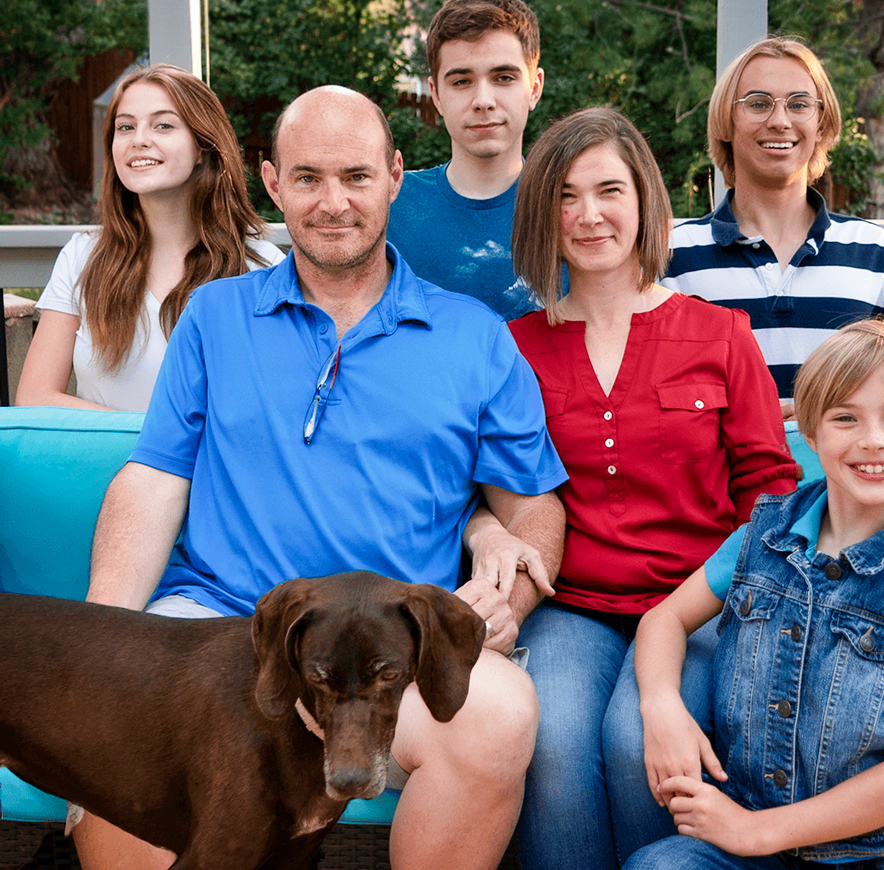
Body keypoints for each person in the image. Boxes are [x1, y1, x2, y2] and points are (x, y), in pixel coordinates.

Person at [72, 85, 568, 870]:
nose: (333, 202)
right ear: (272, 183)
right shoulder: (214, 316)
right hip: (219, 626)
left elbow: (533, 504)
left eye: (356, 177)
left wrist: (508, 603)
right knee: (115, 793)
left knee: (499, 713)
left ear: (395, 177)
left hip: (390, 653)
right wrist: (97, 650)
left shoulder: (471, 335)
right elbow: (155, 478)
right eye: (307, 179)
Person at [503, 107, 799, 870]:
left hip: (697, 605)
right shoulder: (515, 348)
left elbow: (772, 491)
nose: (589, 215)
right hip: (573, 607)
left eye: (609, 191)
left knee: (640, 742)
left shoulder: (719, 334)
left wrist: (712, 595)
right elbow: (495, 490)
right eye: (566, 195)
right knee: (555, 744)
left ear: (645, 203)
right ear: (544, 211)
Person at [626, 318, 884, 870]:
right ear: (811, 434)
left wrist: (755, 832)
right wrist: (662, 705)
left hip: (880, 854)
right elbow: (664, 619)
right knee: (658, 866)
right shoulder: (760, 537)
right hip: (750, 836)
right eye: (846, 418)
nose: (873, 440)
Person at [664, 37, 884, 416]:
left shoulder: (876, 255)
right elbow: (644, 402)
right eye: (758, 104)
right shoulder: (671, 257)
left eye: (799, 104)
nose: (779, 121)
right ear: (726, 121)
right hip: (721, 476)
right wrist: (748, 419)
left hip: (844, 474)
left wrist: (826, 416)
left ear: (821, 124)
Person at [16, 63, 283, 412]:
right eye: (125, 126)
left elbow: (277, 410)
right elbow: (34, 397)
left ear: (203, 146)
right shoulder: (83, 256)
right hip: (104, 466)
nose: (139, 139)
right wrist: (152, 444)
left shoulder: (261, 268)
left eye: (163, 125)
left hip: (211, 468)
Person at [386, 0, 544, 320]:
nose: (483, 100)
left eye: (503, 77)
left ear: (534, 87)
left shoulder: (574, 208)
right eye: (461, 81)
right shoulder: (391, 206)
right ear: (436, 95)